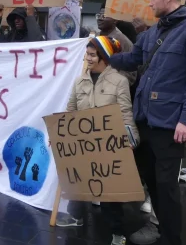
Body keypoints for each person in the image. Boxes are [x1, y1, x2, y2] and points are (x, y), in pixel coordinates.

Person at [109, 0, 186, 245]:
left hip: (169, 124)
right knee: (152, 181)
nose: (150, 2)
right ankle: (161, 230)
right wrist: (102, 54)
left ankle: (171, 238)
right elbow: (133, 59)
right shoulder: (154, 31)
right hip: (144, 120)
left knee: (166, 187)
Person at [56, 36, 148, 245]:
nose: (87, 59)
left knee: (109, 194)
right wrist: (60, 134)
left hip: (107, 146)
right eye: (86, 55)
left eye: (92, 55)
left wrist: (131, 139)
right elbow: (71, 111)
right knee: (78, 181)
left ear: (104, 57)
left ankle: (118, 232)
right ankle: (76, 216)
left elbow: (125, 113)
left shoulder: (119, 81)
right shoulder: (80, 81)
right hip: (83, 144)